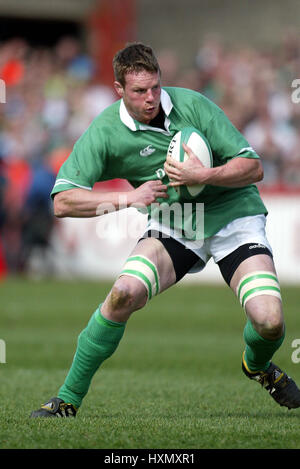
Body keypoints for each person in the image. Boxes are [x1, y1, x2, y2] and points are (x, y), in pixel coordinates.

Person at [30, 42, 300, 418]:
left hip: (232, 215)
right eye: (139, 91)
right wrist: (130, 197)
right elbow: (63, 201)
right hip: (175, 223)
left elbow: (253, 167)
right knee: (123, 293)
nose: (151, 98)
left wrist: (203, 175)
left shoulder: (193, 105)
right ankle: (67, 399)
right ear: (118, 89)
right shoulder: (107, 131)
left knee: (269, 321)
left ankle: (256, 366)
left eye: (155, 87)